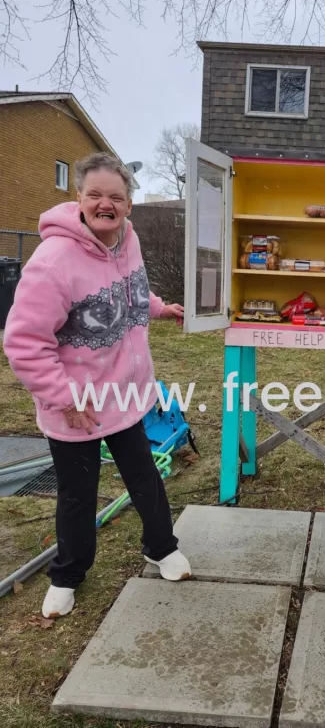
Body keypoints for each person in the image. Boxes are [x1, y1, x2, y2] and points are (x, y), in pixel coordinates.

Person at [3, 152, 191, 619]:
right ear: (80, 199)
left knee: (144, 476)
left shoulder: (129, 239)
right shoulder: (53, 262)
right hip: (76, 405)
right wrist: (63, 399)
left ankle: (161, 548)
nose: (106, 204)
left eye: (116, 197)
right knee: (77, 493)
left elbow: (128, 290)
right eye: (95, 196)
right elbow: (25, 342)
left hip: (126, 394)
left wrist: (158, 307)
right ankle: (68, 575)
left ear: (128, 203)